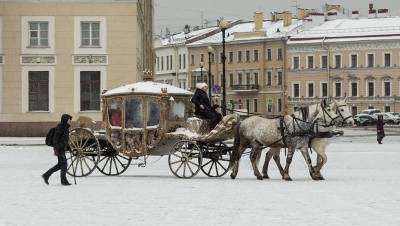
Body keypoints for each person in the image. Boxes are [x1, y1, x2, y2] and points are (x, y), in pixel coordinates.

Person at [42, 114, 73, 186]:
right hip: (59, 149)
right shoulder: (61, 127)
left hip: (61, 148)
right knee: (64, 164)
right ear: (65, 120)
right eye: (69, 120)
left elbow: (65, 140)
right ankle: (63, 181)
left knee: (60, 165)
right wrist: (56, 149)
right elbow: (56, 139)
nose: (70, 121)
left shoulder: (65, 127)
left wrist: (69, 148)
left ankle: (46, 175)